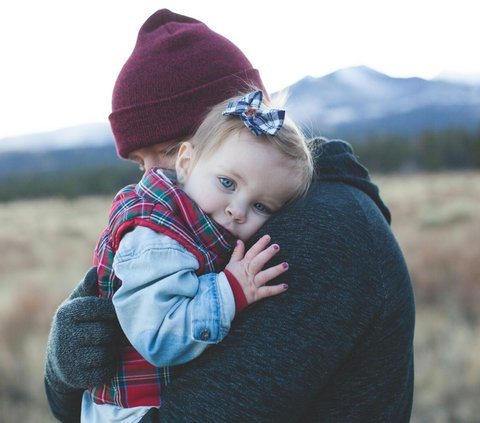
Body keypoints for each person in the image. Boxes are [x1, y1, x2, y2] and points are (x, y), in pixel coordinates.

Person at [44, 8, 415, 423]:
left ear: (240, 123)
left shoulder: (322, 232)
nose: (151, 181)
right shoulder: (196, 226)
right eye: (138, 164)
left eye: (168, 150)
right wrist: (64, 367)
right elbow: (76, 404)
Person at [82, 89, 313, 422]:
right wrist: (230, 289)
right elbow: (159, 337)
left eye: (261, 206)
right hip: (133, 413)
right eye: (227, 183)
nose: (237, 210)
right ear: (186, 163)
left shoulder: (198, 223)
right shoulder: (156, 238)